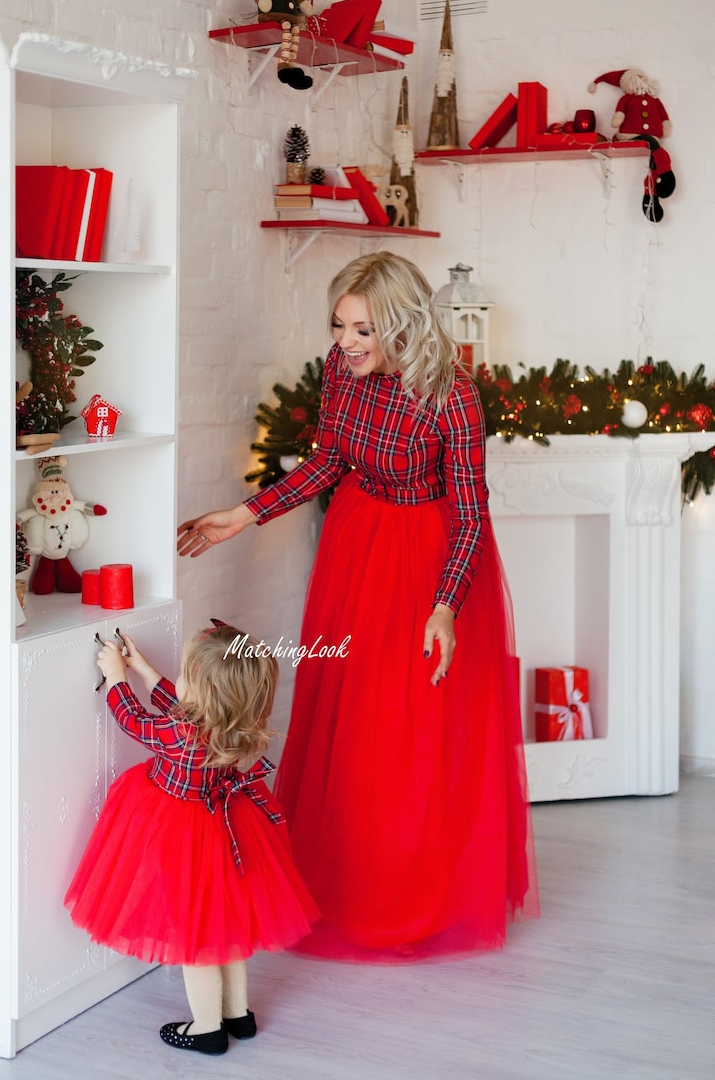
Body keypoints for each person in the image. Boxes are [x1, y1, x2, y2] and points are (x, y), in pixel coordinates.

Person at [177, 251, 539, 962]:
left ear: (403, 325)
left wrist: (444, 609)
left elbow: (471, 516)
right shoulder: (343, 371)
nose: (344, 341)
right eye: (339, 324)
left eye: (362, 328)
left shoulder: (453, 397)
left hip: (427, 565)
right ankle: (342, 880)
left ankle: (411, 892)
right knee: (354, 716)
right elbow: (330, 460)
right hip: (356, 545)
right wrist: (245, 513)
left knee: (412, 736)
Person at [64, 623, 318, 1054]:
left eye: (183, 673)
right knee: (228, 932)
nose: (177, 679)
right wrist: (146, 671)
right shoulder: (235, 725)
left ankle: (206, 1029)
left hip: (183, 836)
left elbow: (136, 721)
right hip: (225, 827)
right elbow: (184, 707)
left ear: (202, 694)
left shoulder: (180, 735)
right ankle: (239, 1015)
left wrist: (116, 679)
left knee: (197, 943)